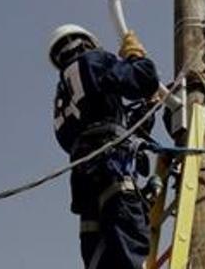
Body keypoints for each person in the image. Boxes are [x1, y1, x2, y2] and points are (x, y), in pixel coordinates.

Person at [48, 24, 160, 269]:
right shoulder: (93, 60)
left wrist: (145, 112)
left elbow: (105, 128)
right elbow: (144, 79)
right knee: (128, 243)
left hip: (85, 182)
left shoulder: (62, 94)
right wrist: (135, 56)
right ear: (87, 43)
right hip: (113, 173)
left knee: (100, 256)